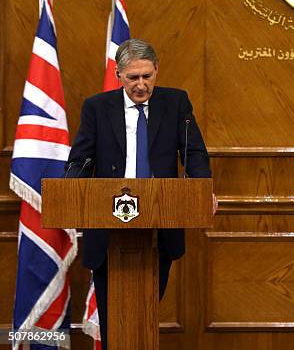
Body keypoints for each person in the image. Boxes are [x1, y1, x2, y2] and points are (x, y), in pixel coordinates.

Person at [65, 38, 214, 349]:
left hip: (161, 222)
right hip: (107, 225)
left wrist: (202, 190)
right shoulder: (97, 108)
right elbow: (80, 159)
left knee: (146, 307)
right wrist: (69, 191)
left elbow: (195, 152)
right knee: (112, 315)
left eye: (147, 76)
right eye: (133, 77)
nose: (141, 85)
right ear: (119, 74)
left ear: (157, 70)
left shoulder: (175, 104)